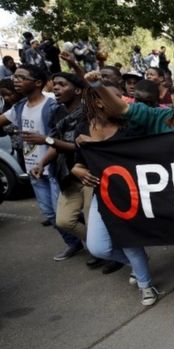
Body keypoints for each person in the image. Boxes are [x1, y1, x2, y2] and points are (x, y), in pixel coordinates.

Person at [85, 70, 174, 322]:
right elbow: (122, 109)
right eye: (173, 90)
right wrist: (97, 86)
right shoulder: (161, 117)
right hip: (171, 199)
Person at [71, 81, 159, 305]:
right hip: (102, 195)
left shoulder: (130, 127)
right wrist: (79, 172)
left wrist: (97, 146)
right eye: (115, 97)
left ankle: (145, 285)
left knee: (129, 242)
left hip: (129, 195)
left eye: (122, 96)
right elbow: (78, 164)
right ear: (100, 102)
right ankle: (138, 264)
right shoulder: (82, 129)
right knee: (98, 247)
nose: (123, 101)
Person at [0, 64, 83, 260]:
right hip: (33, 170)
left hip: (54, 168)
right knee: (50, 214)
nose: (15, 80)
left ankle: (97, 241)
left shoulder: (53, 105)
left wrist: (44, 144)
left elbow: (63, 137)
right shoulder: (18, 108)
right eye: (14, 77)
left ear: (37, 83)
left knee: (62, 213)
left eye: (21, 77)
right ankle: (74, 243)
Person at [29, 72, 105, 269]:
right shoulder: (58, 113)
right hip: (67, 175)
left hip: (90, 174)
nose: (55, 88)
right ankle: (102, 247)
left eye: (62, 85)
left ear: (78, 90)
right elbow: (56, 144)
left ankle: (108, 254)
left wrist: (46, 140)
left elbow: (81, 146)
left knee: (95, 221)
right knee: (63, 221)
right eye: (54, 85)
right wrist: (42, 163)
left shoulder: (91, 113)